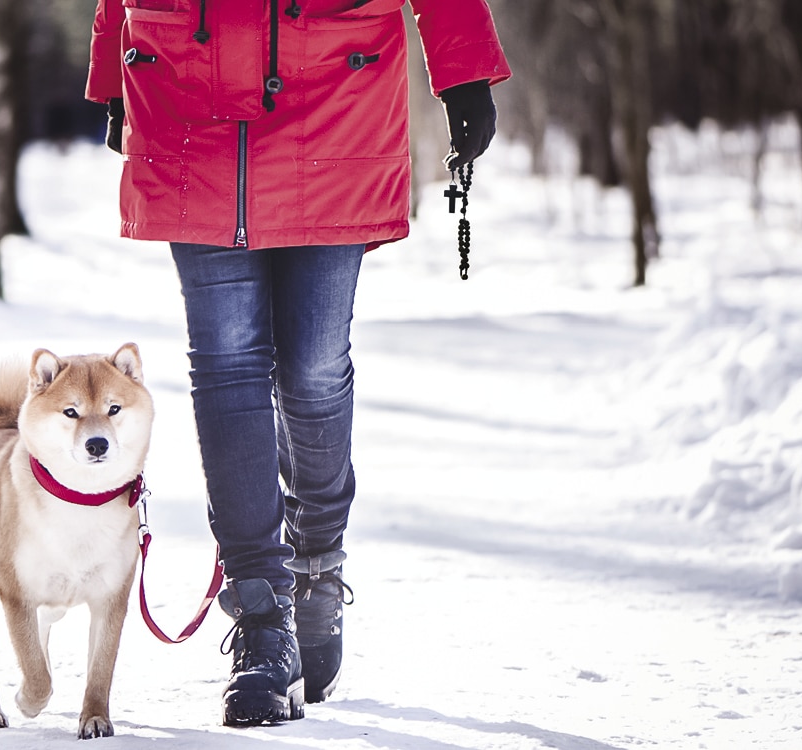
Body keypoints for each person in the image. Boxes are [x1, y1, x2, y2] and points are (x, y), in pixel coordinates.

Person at [86, 0, 510, 727]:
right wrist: (107, 77)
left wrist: (462, 72)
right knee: (224, 365)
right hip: (190, 100)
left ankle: (316, 562)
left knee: (313, 367)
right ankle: (261, 615)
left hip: (334, 103)